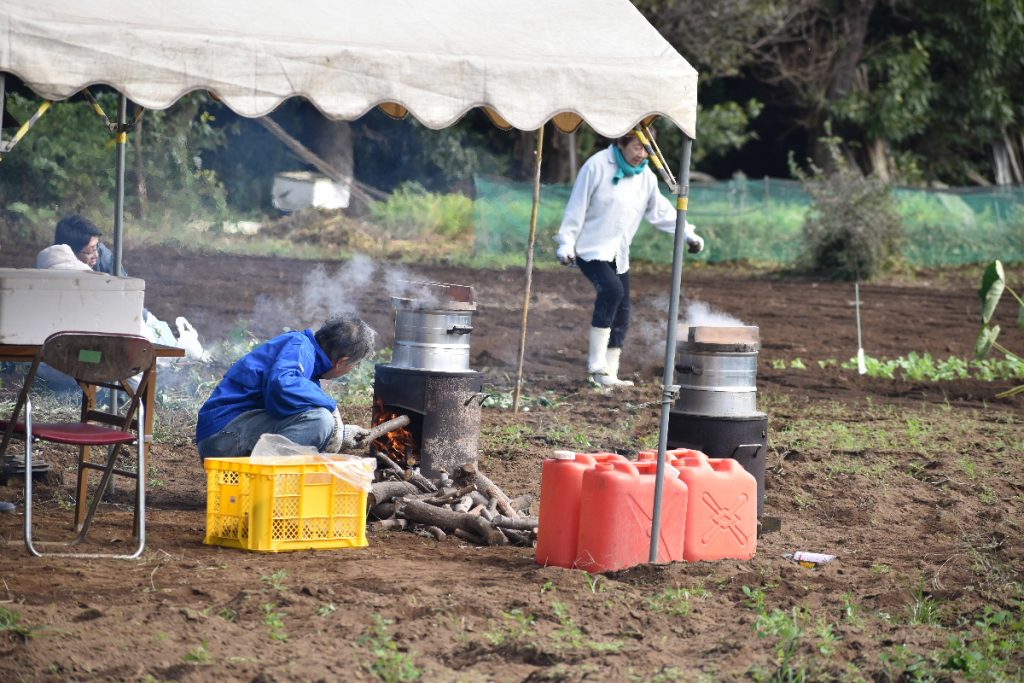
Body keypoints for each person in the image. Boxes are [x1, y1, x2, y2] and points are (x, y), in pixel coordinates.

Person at [555, 131, 705, 387]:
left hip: (618, 252)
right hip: (589, 248)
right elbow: (576, 206)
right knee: (612, 290)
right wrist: (566, 242)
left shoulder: (645, 176)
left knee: (623, 310)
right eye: (637, 147)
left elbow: (661, 212)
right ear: (622, 143)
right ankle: (595, 364)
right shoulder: (597, 166)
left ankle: (608, 376)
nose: (641, 154)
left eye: (647, 149)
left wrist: (688, 233)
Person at [196, 314, 376, 459]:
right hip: (223, 435)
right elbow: (282, 384)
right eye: (355, 364)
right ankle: (265, 483)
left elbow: (287, 412)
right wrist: (331, 407)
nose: (353, 369)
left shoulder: (307, 364)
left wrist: (341, 433)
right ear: (342, 361)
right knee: (321, 420)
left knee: (321, 418)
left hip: (229, 434)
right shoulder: (299, 345)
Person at [53, 214, 117, 274]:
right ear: (71, 252)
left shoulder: (104, 256)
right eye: (90, 251)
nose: (96, 255)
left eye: (96, 246)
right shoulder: (51, 265)